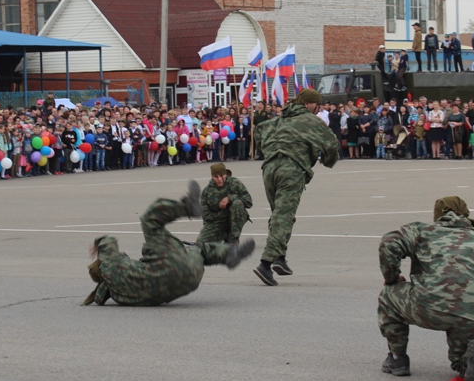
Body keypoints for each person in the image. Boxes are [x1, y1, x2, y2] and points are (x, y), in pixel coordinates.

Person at [376, 197, 474, 381]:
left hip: (431, 307)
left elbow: (389, 242)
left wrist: (391, 277)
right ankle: (468, 359)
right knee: (459, 358)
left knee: (388, 296)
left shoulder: (422, 231)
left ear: (437, 216)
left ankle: (397, 359)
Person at [83, 181, 256, 306]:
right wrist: (99, 243)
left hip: (187, 280)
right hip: (167, 267)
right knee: (149, 221)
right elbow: (110, 242)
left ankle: (230, 254)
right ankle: (186, 208)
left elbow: (99, 298)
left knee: (199, 248)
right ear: (102, 268)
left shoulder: (119, 296)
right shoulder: (110, 267)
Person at [251, 89, 341, 286]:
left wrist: (269, 150)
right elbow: (332, 144)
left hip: (269, 169)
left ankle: (280, 258)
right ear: (310, 104)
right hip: (291, 169)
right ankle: (265, 264)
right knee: (283, 216)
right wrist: (327, 160)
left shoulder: (279, 119)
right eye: (317, 106)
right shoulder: (311, 121)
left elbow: (259, 131)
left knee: (279, 214)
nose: (317, 111)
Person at [197, 162, 253, 244]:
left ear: (225, 174)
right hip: (216, 222)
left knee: (237, 204)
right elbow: (206, 216)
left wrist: (230, 198)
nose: (219, 179)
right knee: (201, 244)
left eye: (221, 175)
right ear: (212, 177)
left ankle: (233, 238)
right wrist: (225, 213)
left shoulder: (234, 183)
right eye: (216, 176)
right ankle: (223, 235)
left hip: (235, 218)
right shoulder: (207, 191)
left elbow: (248, 202)